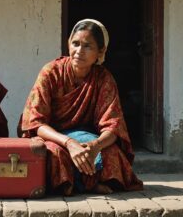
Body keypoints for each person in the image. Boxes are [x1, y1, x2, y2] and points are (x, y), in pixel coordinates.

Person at [18, 19, 143, 195]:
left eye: (87, 46)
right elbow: (36, 123)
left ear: (101, 51)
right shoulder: (51, 72)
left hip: (86, 139)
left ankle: (80, 184)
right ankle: (87, 185)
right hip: (52, 137)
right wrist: (69, 143)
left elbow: (113, 126)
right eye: (75, 44)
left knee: (111, 154)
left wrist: (95, 146)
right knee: (54, 155)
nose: (79, 51)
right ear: (68, 44)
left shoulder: (104, 79)